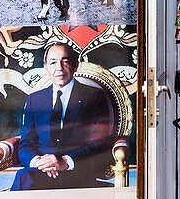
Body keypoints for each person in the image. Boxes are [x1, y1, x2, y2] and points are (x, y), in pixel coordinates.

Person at [11, 41, 111, 190]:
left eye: (65, 61)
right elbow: (26, 142)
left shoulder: (95, 96)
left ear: (75, 65)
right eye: (53, 62)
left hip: (76, 169)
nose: (59, 68)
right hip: (41, 170)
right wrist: (38, 162)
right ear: (46, 67)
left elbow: (100, 143)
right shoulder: (34, 99)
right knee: (24, 178)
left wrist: (64, 162)